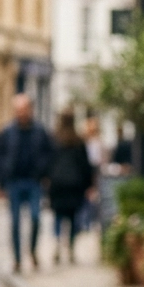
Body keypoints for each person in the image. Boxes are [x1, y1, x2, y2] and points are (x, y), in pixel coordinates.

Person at [0, 94, 53, 273]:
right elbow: (0, 155)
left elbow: (49, 152)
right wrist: (3, 176)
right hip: (14, 182)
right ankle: (17, 259)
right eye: (18, 110)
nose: (21, 113)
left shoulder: (39, 130)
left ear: (30, 109)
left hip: (34, 181)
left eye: (24, 109)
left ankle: (33, 251)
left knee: (36, 218)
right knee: (15, 222)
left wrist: (43, 171)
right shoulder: (8, 131)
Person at [48, 112, 93, 263]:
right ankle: (71, 248)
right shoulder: (78, 141)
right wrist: (88, 185)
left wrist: (48, 180)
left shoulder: (54, 139)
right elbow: (85, 165)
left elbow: (48, 163)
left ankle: (57, 244)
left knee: (58, 217)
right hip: (74, 185)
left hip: (58, 185)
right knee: (73, 219)